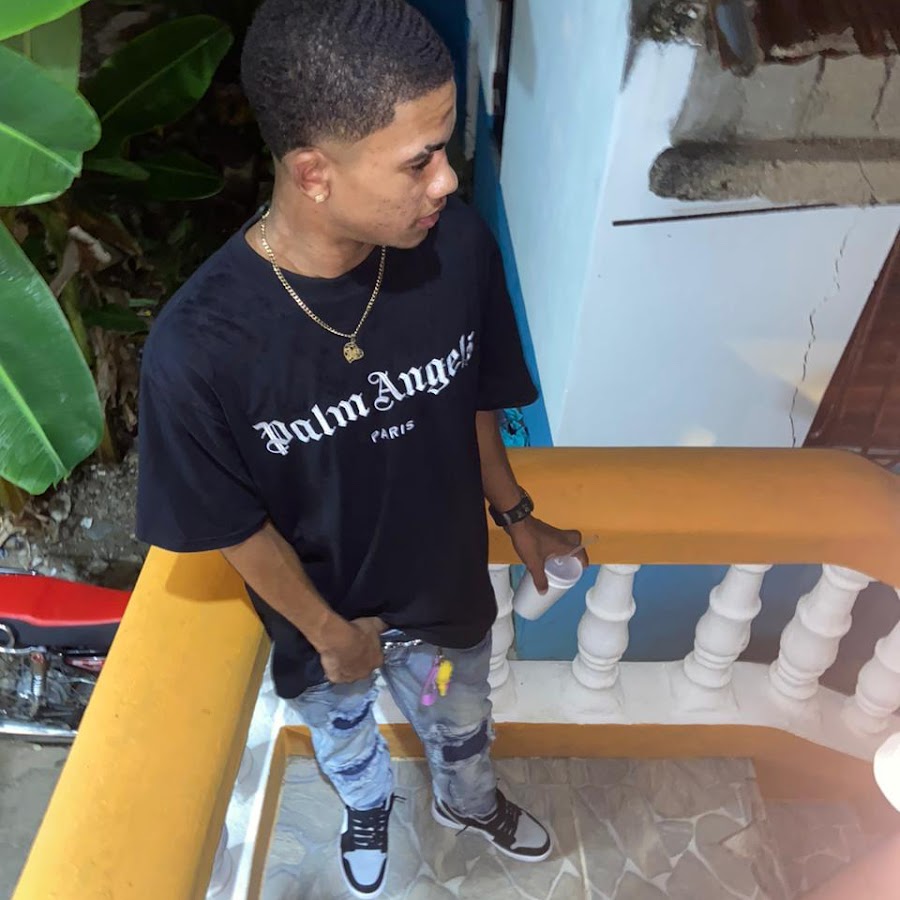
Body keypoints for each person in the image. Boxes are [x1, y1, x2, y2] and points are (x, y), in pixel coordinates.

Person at [136, 1, 587, 896]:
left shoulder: (456, 248)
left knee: (459, 717)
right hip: (326, 625)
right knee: (345, 737)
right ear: (314, 173)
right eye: (420, 161)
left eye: (445, 150)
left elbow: (474, 396)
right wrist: (330, 635)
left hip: (446, 597)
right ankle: (367, 804)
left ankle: (467, 801)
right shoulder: (199, 349)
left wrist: (517, 513)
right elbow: (232, 524)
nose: (448, 181)